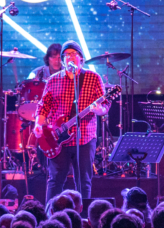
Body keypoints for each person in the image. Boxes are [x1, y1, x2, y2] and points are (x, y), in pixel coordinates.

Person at [33, 41, 109, 202]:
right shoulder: (53, 80)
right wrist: (38, 124)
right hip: (58, 138)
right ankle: (50, 218)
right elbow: (43, 106)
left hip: (85, 138)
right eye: (66, 55)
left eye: (73, 54)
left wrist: (97, 109)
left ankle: (82, 218)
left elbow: (105, 106)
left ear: (81, 58)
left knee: (83, 182)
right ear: (62, 60)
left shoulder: (93, 78)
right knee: (55, 181)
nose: (70, 58)